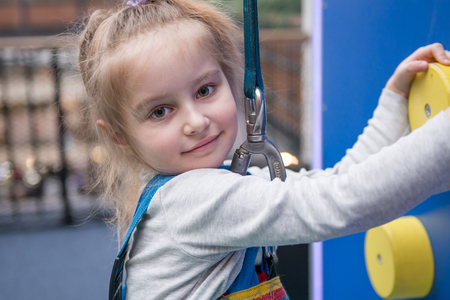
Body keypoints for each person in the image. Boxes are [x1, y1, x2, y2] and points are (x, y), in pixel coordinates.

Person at [78, 0, 450, 299]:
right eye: (161, 111)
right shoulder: (194, 201)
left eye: (205, 90)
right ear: (119, 136)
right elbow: (340, 202)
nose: (195, 121)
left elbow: (333, 183)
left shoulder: (214, 184)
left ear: (232, 80)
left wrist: (394, 104)